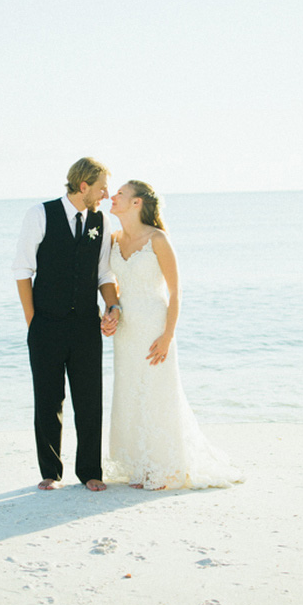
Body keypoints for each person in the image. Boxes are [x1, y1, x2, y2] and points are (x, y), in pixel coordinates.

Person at [104, 180, 244, 490]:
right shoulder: (113, 239)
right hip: (127, 331)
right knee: (129, 392)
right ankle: (141, 465)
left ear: (137, 203)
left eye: (121, 194)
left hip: (155, 326)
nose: (113, 196)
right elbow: (109, 281)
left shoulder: (158, 239)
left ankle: (165, 467)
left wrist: (168, 335)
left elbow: (176, 291)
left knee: (157, 393)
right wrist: (111, 309)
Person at [12, 158, 120, 492]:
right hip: (45, 325)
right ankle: (50, 472)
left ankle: (90, 471)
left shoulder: (100, 222)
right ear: (84, 186)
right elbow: (22, 270)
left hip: (86, 326)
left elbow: (104, 273)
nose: (106, 193)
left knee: (89, 399)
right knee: (48, 399)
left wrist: (112, 304)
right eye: (102, 186)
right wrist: (34, 323)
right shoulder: (40, 214)